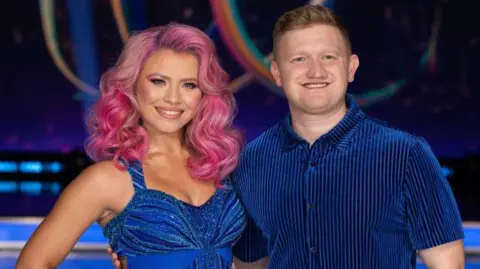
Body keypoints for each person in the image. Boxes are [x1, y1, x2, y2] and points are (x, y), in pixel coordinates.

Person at [110, 5, 465, 269]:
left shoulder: (406, 155)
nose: (315, 71)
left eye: (328, 57)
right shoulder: (250, 161)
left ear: (351, 67)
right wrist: (142, 249)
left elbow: (447, 261)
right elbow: (247, 263)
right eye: (298, 59)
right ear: (277, 72)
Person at [15, 23, 246, 269]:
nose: (173, 98)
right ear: (133, 85)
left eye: (189, 85)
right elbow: (33, 263)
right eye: (159, 81)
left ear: (204, 94)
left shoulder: (221, 168)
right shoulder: (108, 179)